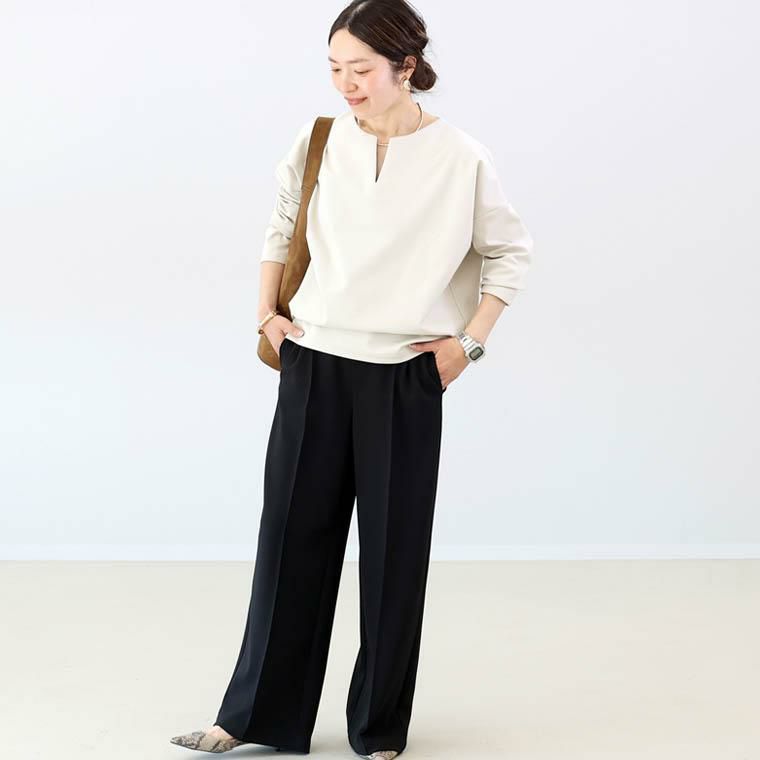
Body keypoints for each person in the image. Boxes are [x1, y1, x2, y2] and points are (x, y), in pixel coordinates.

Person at [170, 0, 533, 757]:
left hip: (405, 373)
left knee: (394, 555)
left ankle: (378, 728)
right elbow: (281, 226)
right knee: (288, 542)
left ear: (406, 66)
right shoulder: (320, 140)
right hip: (314, 362)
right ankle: (254, 716)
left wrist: (468, 345)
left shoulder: (461, 157)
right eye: (335, 68)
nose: (346, 84)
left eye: (361, 69)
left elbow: (510, 254)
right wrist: (266, 315)